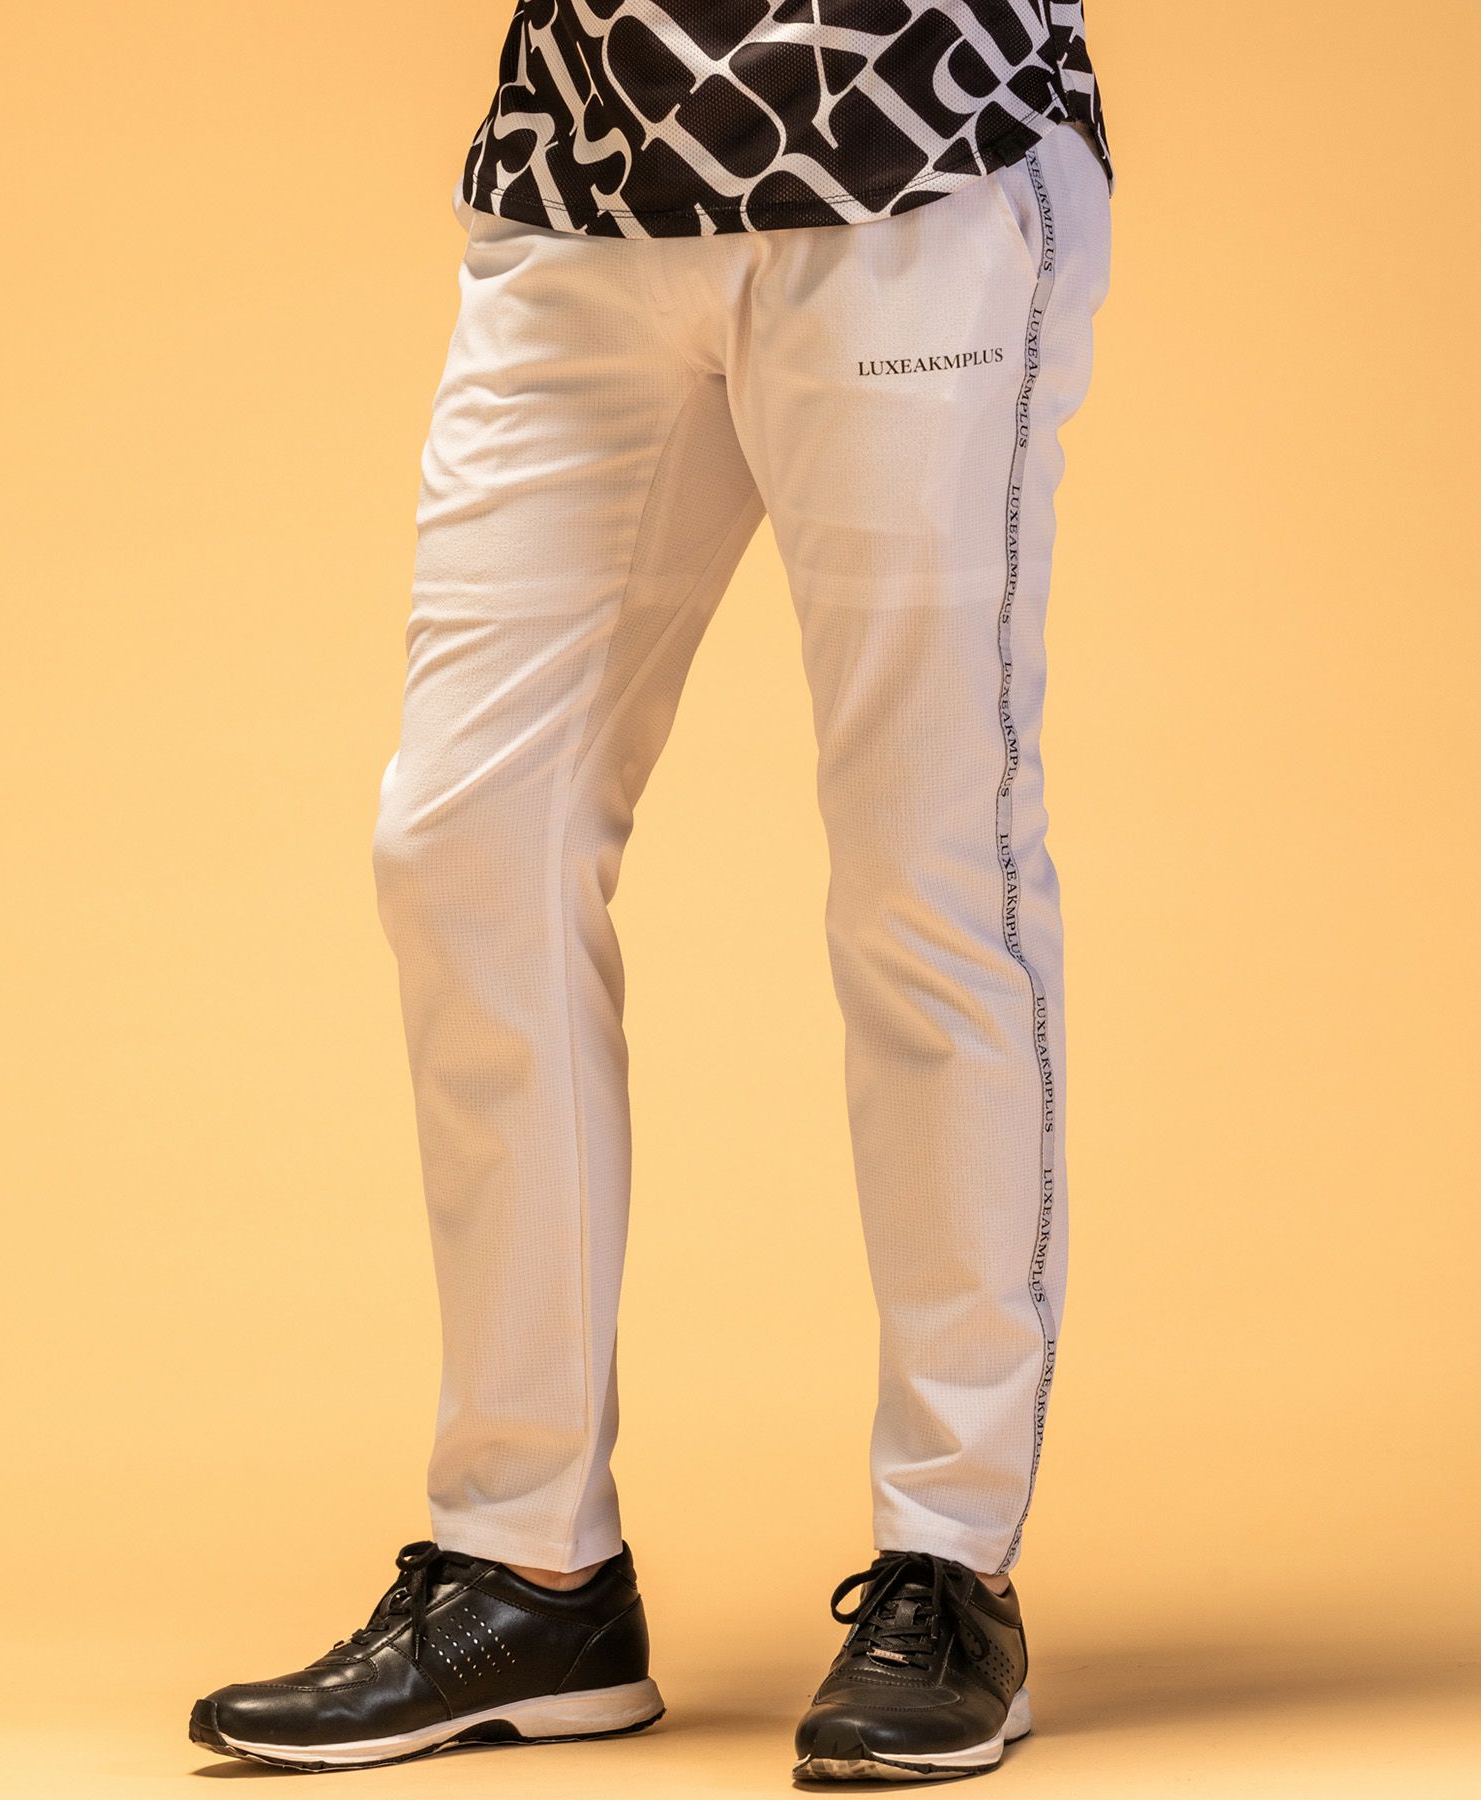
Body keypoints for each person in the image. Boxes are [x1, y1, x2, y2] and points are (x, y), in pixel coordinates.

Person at [189, 1, 1114, 1782]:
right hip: (587, 166)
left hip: (916, 149)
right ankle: (527, 1568)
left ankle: (951, 1562)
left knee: (925, 865)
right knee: (464, 842)